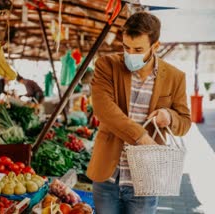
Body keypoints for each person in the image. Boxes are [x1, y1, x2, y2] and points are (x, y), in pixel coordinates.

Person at [86, 12, 191, 214]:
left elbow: (184, 123)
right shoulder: (106, 66)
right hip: (108, 176)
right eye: (126, 47)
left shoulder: (175, 77)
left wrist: (169, 117)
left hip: (146, 180)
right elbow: (104, 109)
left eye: (138, 49)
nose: (130, 54)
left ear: (155, 46)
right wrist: (141, 136)